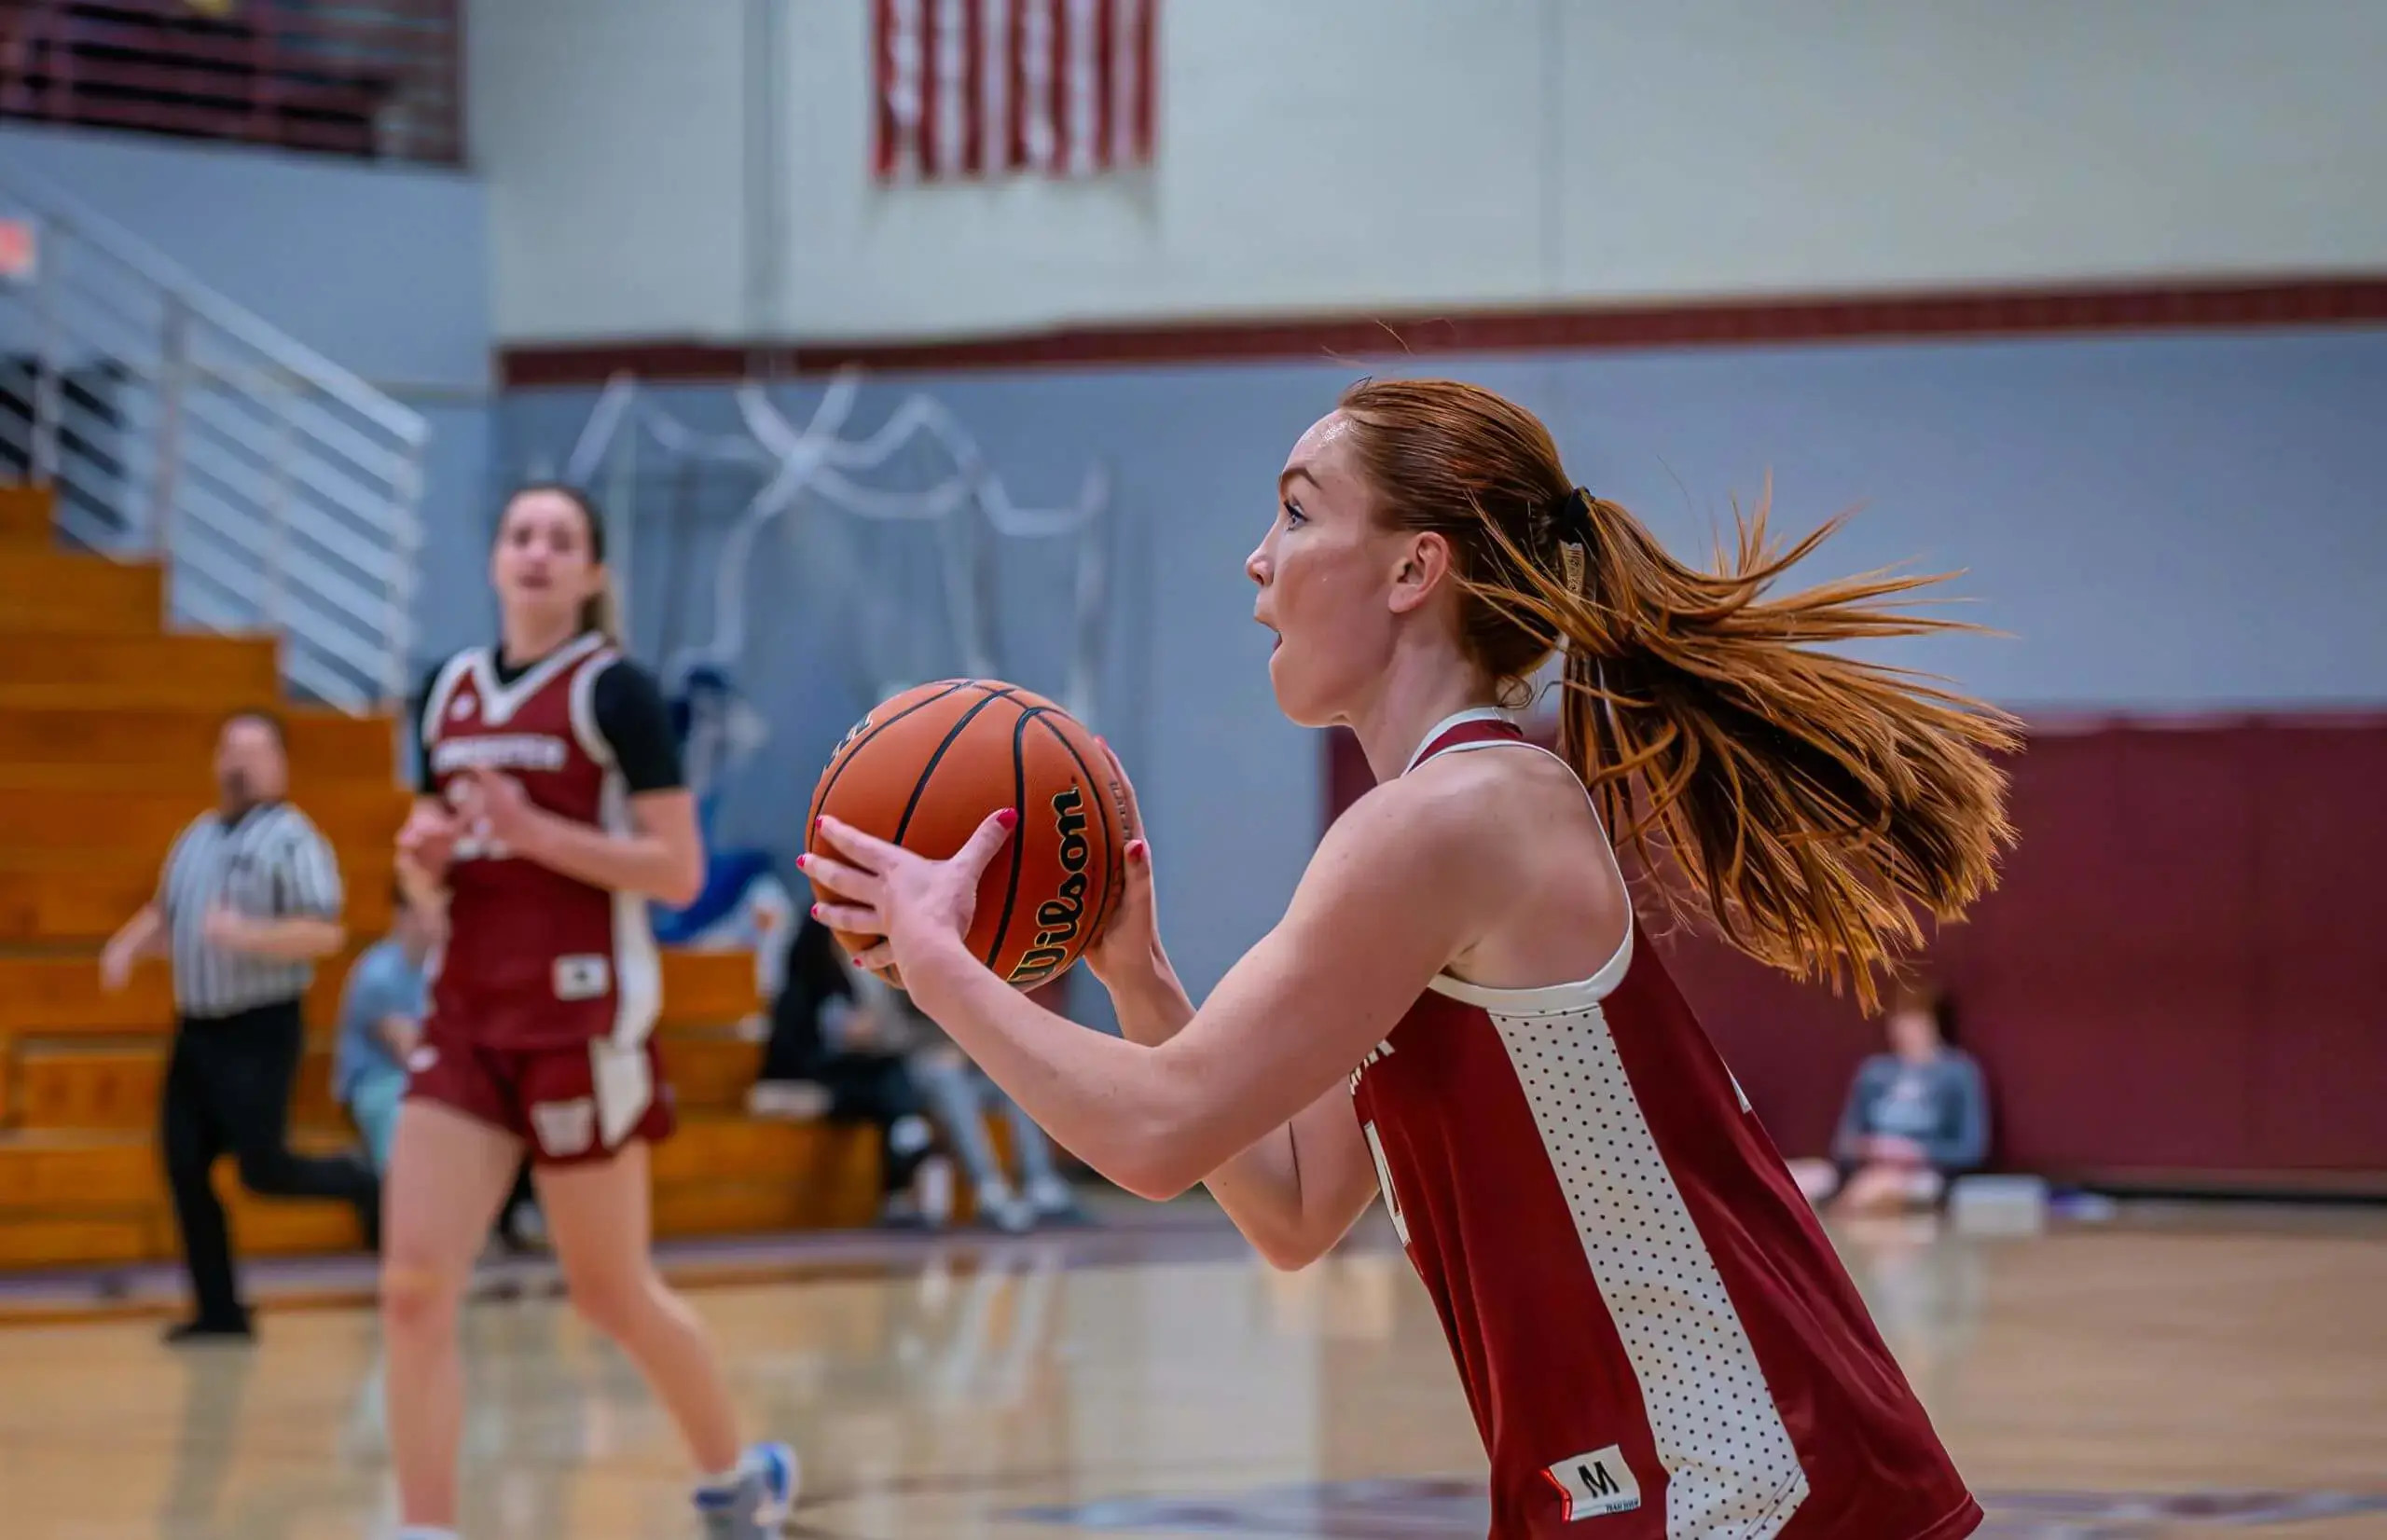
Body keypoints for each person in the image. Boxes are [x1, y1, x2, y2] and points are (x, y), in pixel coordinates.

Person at [805, 378, 2015, 1539]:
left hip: (1741, 1482)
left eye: (1295, 509)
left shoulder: (1453, 818)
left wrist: (932, 952)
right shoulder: (1444, 822)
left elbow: (1156, 1135)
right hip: (1688, 1479)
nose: (1257, 558)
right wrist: (1140, 981)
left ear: (1411, 567)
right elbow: (1292, 1207)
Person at [384, 484, 793, 1540]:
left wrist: (531, 830)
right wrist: (424, 865)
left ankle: (738, 1472)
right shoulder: (443, 693)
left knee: (609, 1292)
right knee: (412, 1287)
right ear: (492, 558)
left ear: (592, 572)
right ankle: (427, 1525)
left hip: (582, 1021)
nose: (536, 552)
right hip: (467, 1018)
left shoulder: (617, 695)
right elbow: (436, 861)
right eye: (519, 533)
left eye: (560, 539)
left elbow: (676, 868)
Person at [98, 708, 379, 1343]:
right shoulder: (195, 836)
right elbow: (164, 910)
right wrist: (127, 945)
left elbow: (324, 932)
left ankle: (361, 1181)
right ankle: (219, 1310)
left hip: (260, 1027)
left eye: (255, 753)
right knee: (183, 1164)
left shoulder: (293, 838)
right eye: (230, 751)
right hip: (196, 1029)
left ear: (280, 766)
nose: (240, 765)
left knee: (262, 1168)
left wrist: (246, 935)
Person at [1796, 986, 1991, 1216]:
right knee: (1795, 1181)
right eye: (1900, 1020)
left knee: (1875, 1191)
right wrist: (1869, 1147)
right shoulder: (1874, 1072)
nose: (1905, 1029)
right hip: (1866, 1168)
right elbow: (1842, 1143)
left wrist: (1915, 1153)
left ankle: (1838, 1230)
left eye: (1916, 1020)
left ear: (1935, 1023)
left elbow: (1972, 1149)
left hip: (1926, 1174)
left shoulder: (1960, 1072)